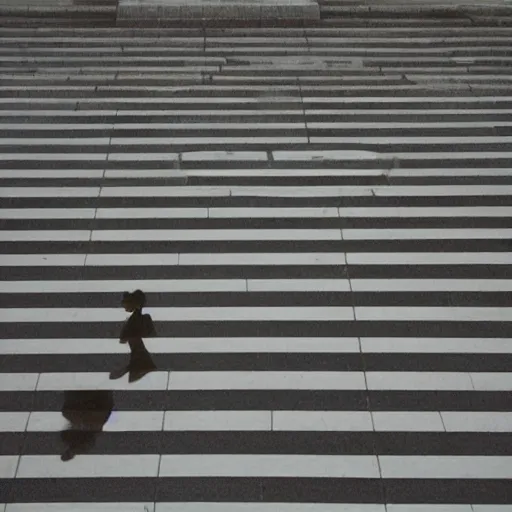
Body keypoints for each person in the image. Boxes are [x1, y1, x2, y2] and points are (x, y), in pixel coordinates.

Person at [110, 289, 157, 383]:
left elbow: (123, 339)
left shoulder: (133, 321)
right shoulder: (143, 318)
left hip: (140, 362)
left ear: (134, 304)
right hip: (140, 361)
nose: (124, 306)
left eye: (127, 303)